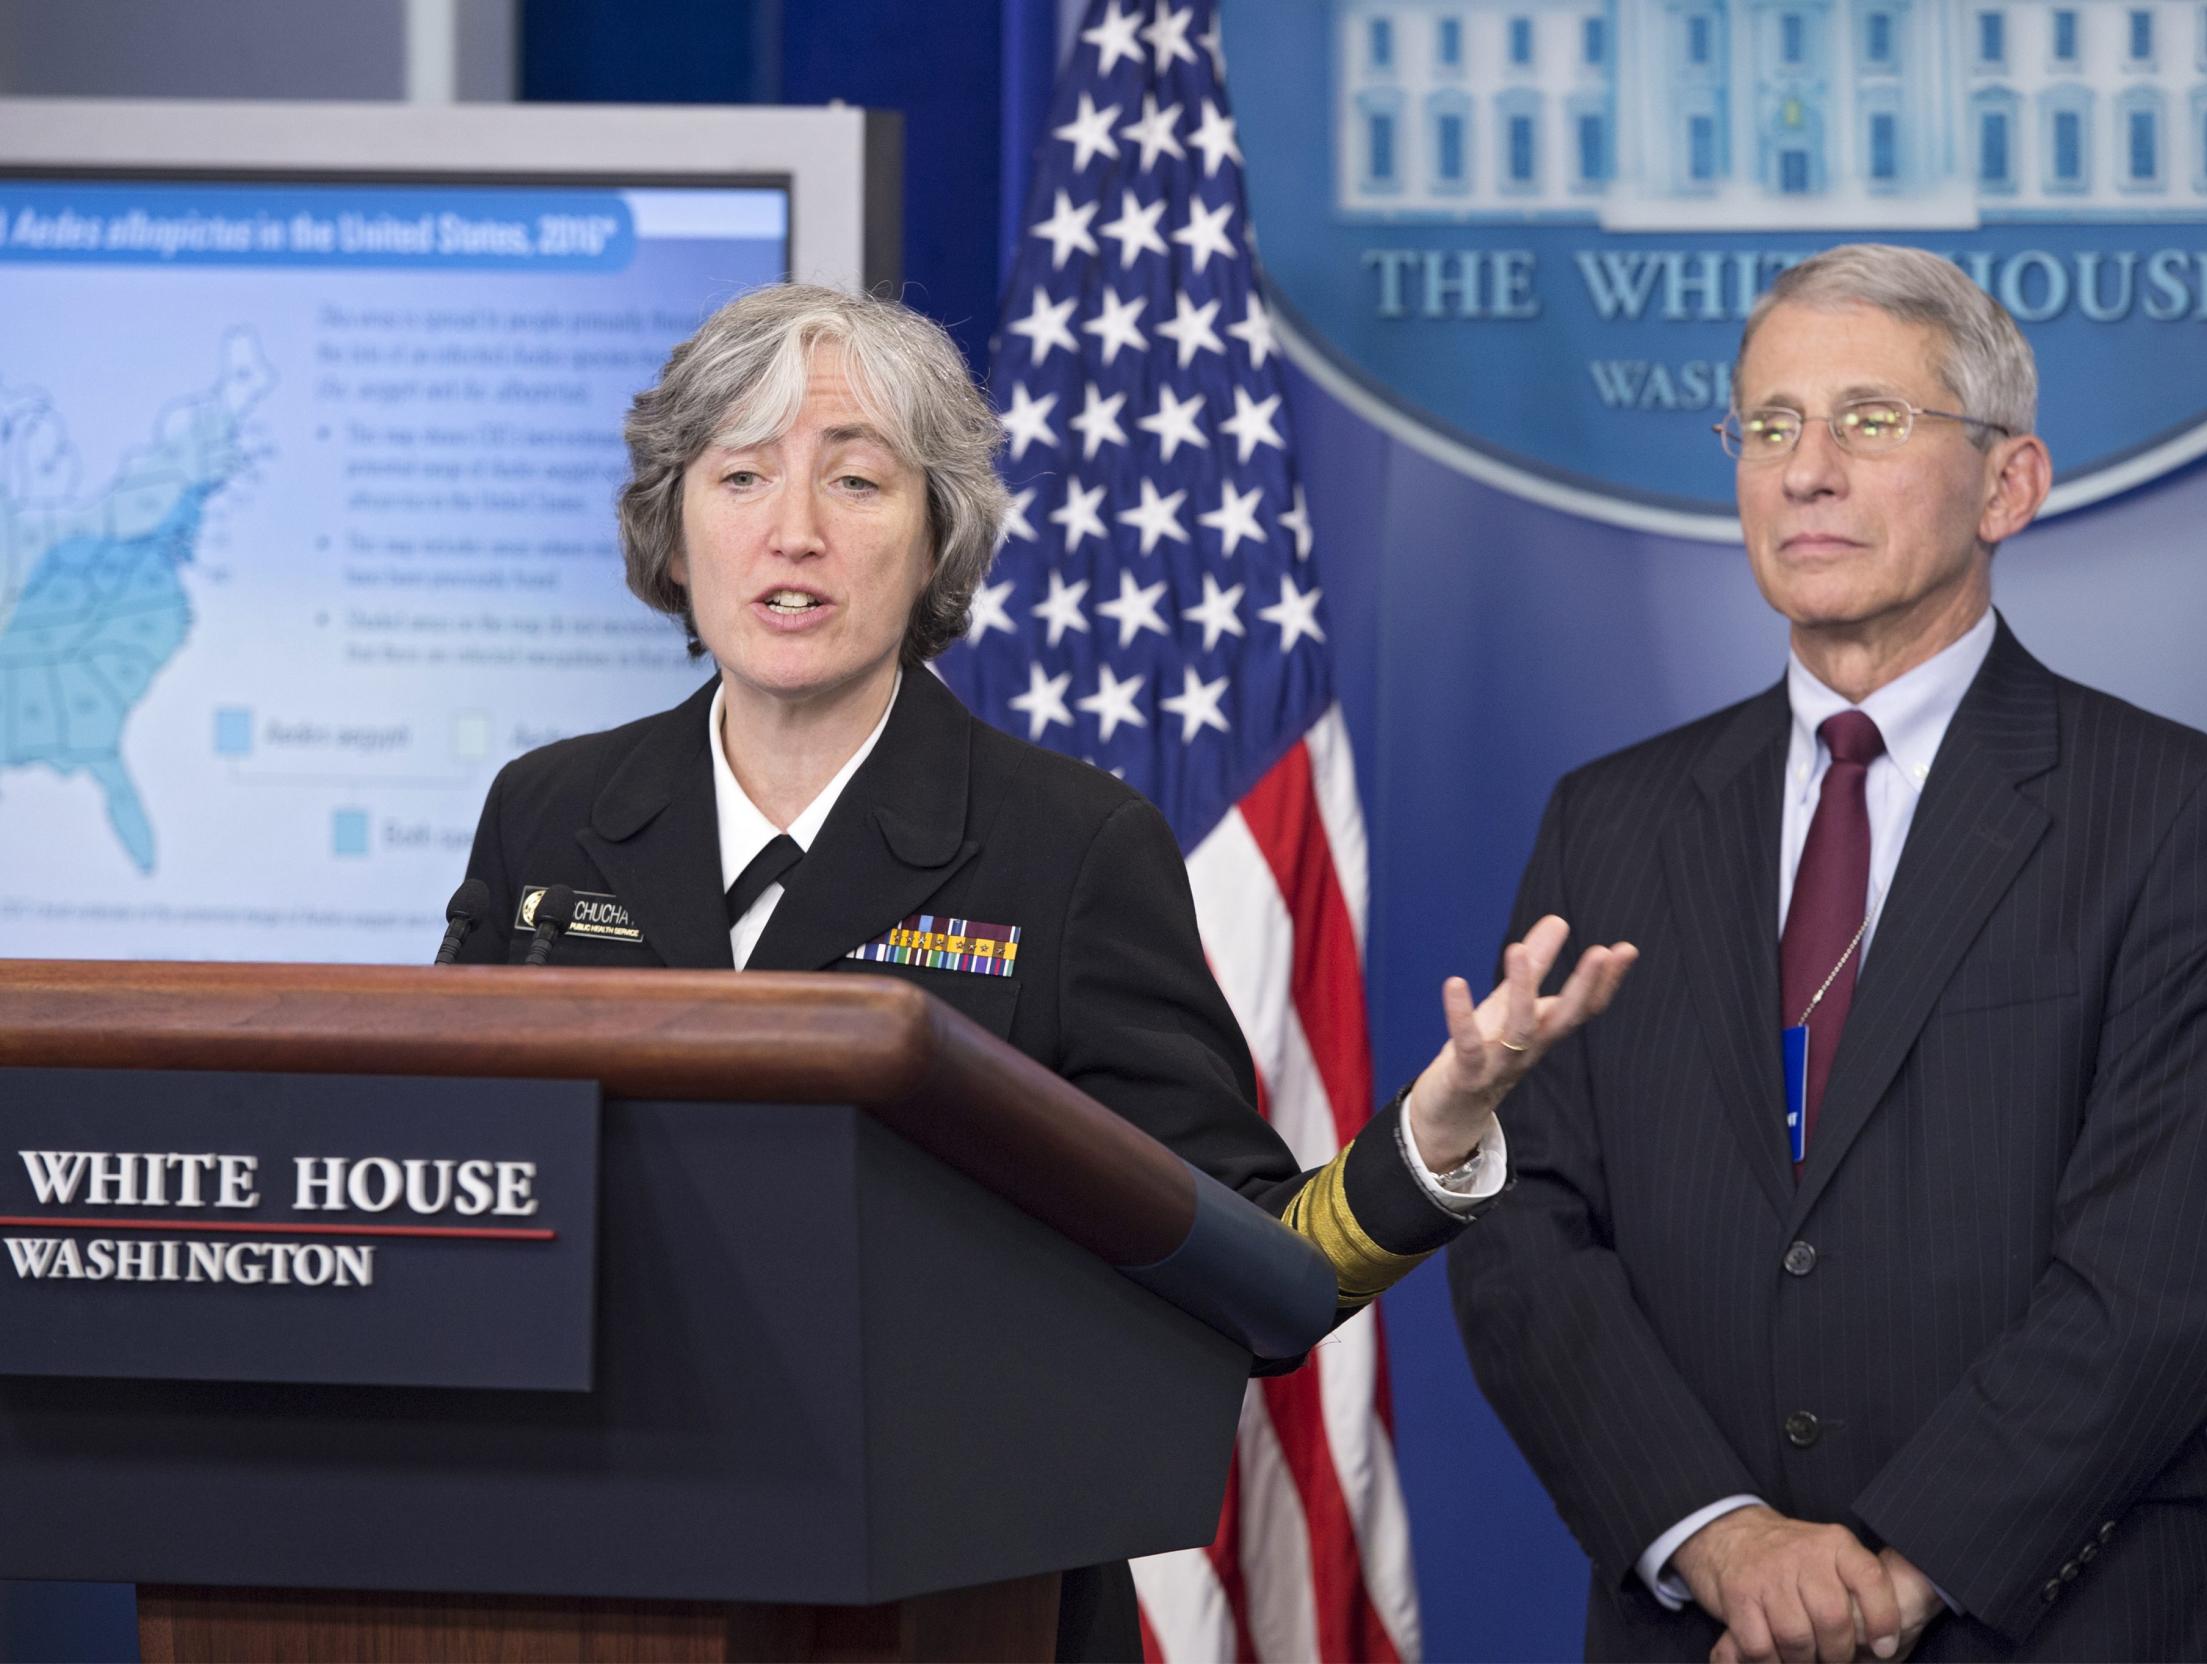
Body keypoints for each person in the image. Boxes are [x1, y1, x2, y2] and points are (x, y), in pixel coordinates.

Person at [451, 282, 1637, 1658]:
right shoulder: (548, 812)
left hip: (947, 1587)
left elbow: (1250, 1268)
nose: (795, 532)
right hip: (585, 1565)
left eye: (856, 481)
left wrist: (1430, 1142)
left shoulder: (1071, 851)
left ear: (939, 534)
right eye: (742, 477)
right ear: (672, 525)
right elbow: (465, 1176)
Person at [1448, 244, 2207, 1663]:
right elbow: (1524, 1223)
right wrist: (1720, 1536)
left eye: (1871, 421)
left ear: (2009, 484)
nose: (1806, 470)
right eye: (1769, 426)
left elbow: (2168, 1285)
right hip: (1697, 1623)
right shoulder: (1611, 820)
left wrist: (1897, 1573)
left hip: (2046, 1621)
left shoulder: (2173, 812)